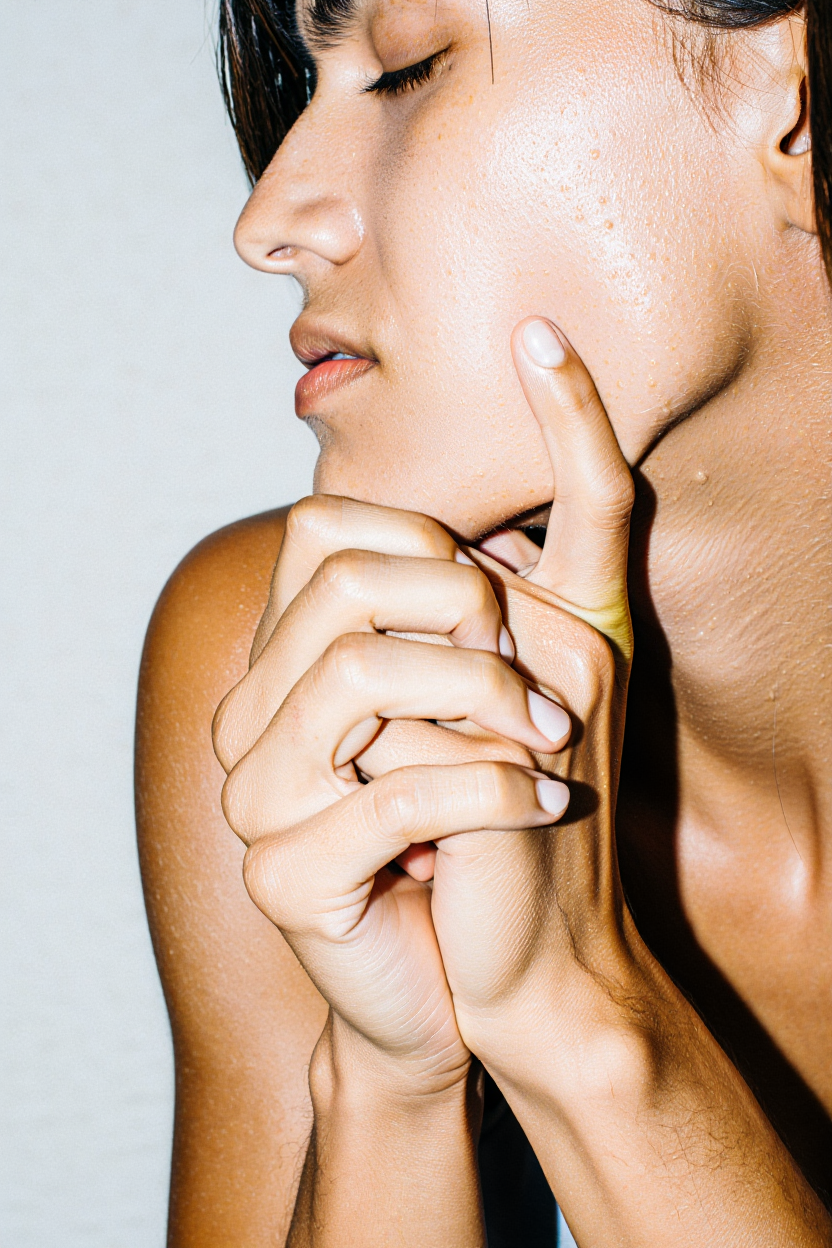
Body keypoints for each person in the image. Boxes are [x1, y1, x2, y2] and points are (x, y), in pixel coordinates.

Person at [135, 0, 832, 1242]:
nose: (269, 220)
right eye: (304, 79)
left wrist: (578, 1025)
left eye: (404, 66)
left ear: (793, 98)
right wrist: (389, 1083)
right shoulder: (313, 668)